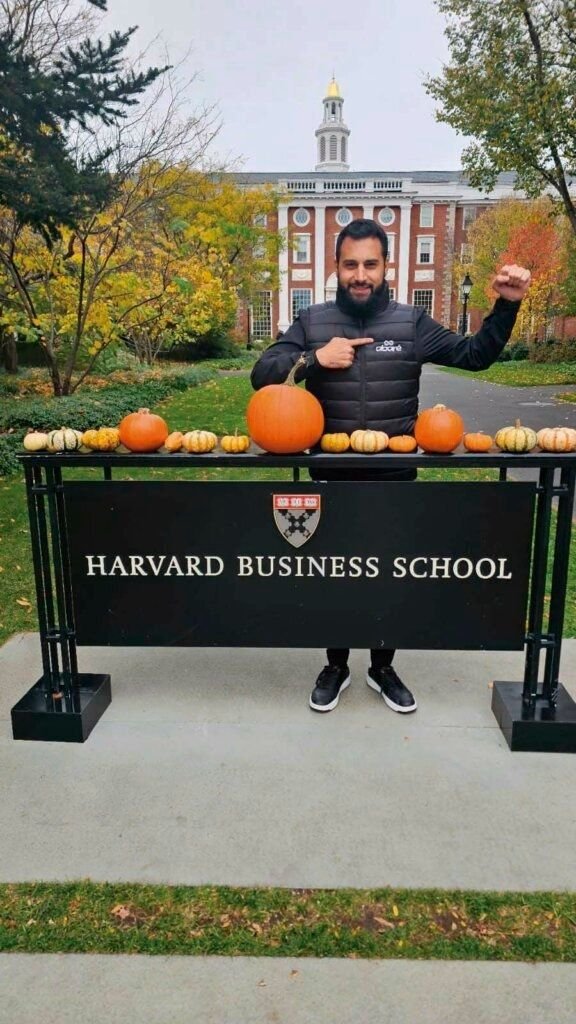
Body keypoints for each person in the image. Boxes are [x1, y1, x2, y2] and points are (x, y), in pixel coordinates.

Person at [250, 218, 531, 715]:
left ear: (386, 267)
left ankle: (382, 667)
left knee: (391, 575)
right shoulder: (312, 320)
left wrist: (507, 304)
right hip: (331, 477)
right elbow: (262, 374)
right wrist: (315, 358)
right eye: (351, 264)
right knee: (333, 574)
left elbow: (475, 355)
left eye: (370, 265)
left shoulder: (410, 324)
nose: (361, 275)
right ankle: (336, 665)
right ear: (336, 267)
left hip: (395, 476)